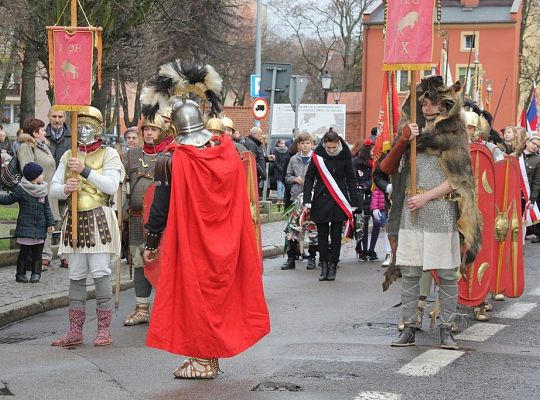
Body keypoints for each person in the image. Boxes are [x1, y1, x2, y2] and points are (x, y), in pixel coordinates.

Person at [139, 60, 270, 379]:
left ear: (172, 123)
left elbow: (160, 208)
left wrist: (151, 244)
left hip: (193, 243)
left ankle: (204, 361)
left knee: (195, 302)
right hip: (224, 243)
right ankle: (206, 357)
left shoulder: (171, 161)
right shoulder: (225, 151)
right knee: (214, 301)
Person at [381, 76, 482, 350]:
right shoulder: (410, 131)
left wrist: (425, 196)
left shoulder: (454, 136)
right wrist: (404, 140)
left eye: (433, 102)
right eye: (424, 101)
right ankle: (409, 327)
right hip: (411, 213)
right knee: (411, 271)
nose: (427, 106)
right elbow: (386, 168)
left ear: (443, 105)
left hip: (440, 210)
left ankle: (446, 329)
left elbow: (459, 179)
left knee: (448, 274)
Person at [50, 107, 124, 347]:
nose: (82, 129)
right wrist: (65, 189)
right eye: (79, 124)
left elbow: (111, 186)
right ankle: (75, 330)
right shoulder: (68, 155)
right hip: (74, 219)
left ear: (98, 128)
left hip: (98, 219)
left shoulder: (109, 154)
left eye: (88, 125)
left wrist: (85, 171)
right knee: (76, 274)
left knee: (101, 272)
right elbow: (52, 188)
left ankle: (103, 330)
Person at [123, 114, 172, 326]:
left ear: (161, 132)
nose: (149, 133)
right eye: (146, 129)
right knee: (139, 262)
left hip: (161, 223)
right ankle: (142, 309)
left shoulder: (169, 156)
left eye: (154, 129)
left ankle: (165, 310)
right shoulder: (132, 155)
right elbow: (121, 182)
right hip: (136, 220)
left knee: (163, 265)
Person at [303, 130, 359, 281]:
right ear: (324, 144)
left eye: (334, 148)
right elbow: (309, 179)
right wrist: (307, 200)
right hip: (321, 199)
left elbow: (351, 179)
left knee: (335, 236)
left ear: (338, 144)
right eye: (329, 148)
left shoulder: (346, 155)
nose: (331, 151)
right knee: (322, 236)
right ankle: (324, 264)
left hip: (339, 200)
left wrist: (354, 202)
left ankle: (333, 265)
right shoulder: (318, 156)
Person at [0, 162, 55, 283]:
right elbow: (9, 199)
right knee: (23, 253)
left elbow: (47, 208)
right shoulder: (21, 189)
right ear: (33, 177)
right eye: (40, 174)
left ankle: (36, 274)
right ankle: (20, 274)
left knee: (38, 254)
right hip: (25, 227)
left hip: (40, 227)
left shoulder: (43, 191)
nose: (43, 175)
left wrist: (50, 224)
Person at [18, 118, 60, 271]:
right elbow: (27, 170)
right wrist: (37, 190)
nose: (45, 132)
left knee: (48, 224)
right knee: (38, 225)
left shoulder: (43, 146)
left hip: (47, 191)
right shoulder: (27, 146)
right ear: (35, 132)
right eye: (42, 130)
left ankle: (44, 256)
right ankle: (37, 260)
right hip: (36, 194)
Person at [283, 132, 317, 270]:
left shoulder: (315, 159)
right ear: (298, 145)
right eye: (302, 143)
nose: (305, 145)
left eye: (307, 143)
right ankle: (291, 258)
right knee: (293, 229)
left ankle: (313, 257)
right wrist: (294, 179)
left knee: (312, 228)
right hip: (296, 198)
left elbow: (320, 177)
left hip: (311, 198)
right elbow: (287, 176)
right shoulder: (293, 159)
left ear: (312, 144)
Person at [353, 139, 380, 261]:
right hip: (361, 196)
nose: (374, 151)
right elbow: (353, 178)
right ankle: (363, 251)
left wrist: (368, 184)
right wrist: (361, 186)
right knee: (363, 223)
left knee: (377, 222)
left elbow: (377, 178)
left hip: (375, 195)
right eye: (372, 149)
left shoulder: (376, 163)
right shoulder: (356, 162)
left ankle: (372, 250)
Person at [244, 126, 275, 196]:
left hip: (256, 175)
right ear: (255, 134)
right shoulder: (251, 144)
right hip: (253, 175)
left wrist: (267, 158)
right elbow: (253, 160)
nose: (261, 136)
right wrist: (261, 173)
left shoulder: (253, 143)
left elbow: (257, 158)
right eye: (260, 134)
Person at [272, 139, 290, 210]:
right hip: (278, 171)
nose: (283, 145)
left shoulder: (287, 150)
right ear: (278, 144)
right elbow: (275, 161)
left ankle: (283, 199)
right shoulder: (276, 150)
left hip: (284, 170)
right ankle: (279, 199)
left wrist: (285, 168)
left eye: (284, 143)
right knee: (279, 186)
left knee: (284, 186)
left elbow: (288, 159)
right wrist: (281, 169)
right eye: (281, 143)